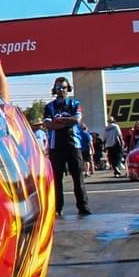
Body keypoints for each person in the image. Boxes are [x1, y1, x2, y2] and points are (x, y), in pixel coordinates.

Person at [43, 77, 91, 216]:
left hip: (73, 145)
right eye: (58, 88)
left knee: (78, 178)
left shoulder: (75, 103)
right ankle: (57, 208)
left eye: (64, 87)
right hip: (55, 147)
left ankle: (83, 207)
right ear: (55, 89)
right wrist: (66, 122)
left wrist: (59, 120)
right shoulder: (49, 107)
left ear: (68, 88)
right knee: (57, 180)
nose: (61, 90)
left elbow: (76, 120)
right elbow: (48, 124)